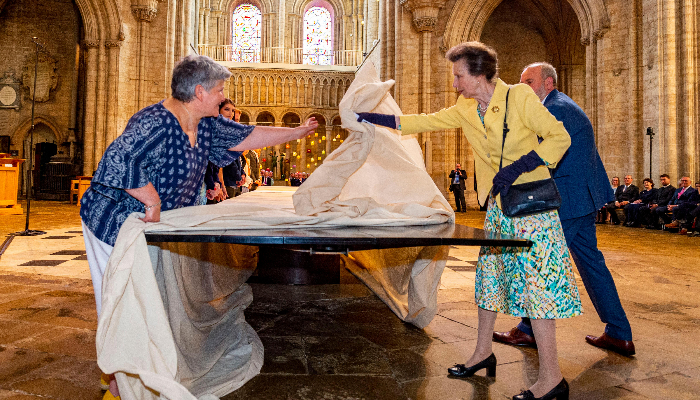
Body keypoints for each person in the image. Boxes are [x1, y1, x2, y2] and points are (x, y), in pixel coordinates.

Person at [80, 54, 318, 399]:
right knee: (120, 299)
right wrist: (152, 198)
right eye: (219, 90)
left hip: (151, 228)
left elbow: (248, 136)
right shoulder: (154, 122)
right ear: (198, 91)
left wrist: (298, 132)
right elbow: (117, 161)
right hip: (111, 222)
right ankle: (117, 381)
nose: (224, 97)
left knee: (149, 297)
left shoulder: (204, 123)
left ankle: (132, 367)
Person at [356, 42, 579, 400]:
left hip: (533, 209)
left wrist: (521, 166)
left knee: (538, 293)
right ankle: (482, 352)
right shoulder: (465, 107)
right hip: (499, 208)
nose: (455, 84)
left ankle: (552, 378)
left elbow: (559, 137)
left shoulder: (520, 97)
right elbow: (424, 122)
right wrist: (375, 119)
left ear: (478, 74)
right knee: (489, 281)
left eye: (459, 76)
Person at [489, 63, 636, 362]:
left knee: (539, 264)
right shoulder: (561, 104)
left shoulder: (556, 109)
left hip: (569, 201)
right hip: (580, 199)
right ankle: (619, 333)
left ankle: (527, 329)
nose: (522, 88)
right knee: (592, 265)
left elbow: (544, 158)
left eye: (528, 82)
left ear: (548, 82)